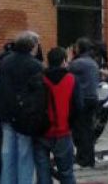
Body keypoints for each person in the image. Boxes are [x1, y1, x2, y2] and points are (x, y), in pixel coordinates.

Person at [0, 30, 43, 184]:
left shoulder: (4, 63)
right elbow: (39, 94)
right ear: (33, 46)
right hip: (25, 118)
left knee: (7, 155)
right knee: (24, 156)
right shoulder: (35, 65)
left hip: (5, 115)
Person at [33, 47, 82, 184]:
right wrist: (70, 124)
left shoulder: (39, 79)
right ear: (64, 61)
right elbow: (78, 106)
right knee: (66, 173)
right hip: (63, 131)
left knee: (43, 173)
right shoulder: (72, 80)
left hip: (42, 132)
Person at [68, 38, 100, 168]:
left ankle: (83, 158)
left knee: (80, 130)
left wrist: (69, 58)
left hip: (83, 99)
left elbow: (65, 71)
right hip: (92, 98)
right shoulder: (92, 62)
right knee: (87, 129)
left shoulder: (78, 63)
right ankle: (88, 157)